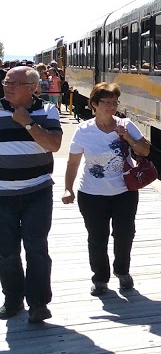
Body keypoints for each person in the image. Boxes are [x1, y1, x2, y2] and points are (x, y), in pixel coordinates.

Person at [61, 83, 149, 296]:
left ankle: (122, 271)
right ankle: (100, 278)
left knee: (125, 234)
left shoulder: (126, 124)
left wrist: (127, 136)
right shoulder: (84, 130)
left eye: (114, 102)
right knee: (97, 236)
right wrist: (68, 189)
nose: (112, 106)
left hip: (124, 192)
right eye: (106, 102)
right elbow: (73, 162)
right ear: (94, 104)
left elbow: (145, 151)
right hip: (91, 193)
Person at [0, 66, 63, 323]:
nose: (7, 86)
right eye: (6, 81)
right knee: (6, 251)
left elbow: (53, 145)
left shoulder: (48, 110)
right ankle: (13, 300)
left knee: (36, 248)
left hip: (37, 191)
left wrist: (27, 122)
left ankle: (38, 304)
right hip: (2, 194)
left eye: (15, 83)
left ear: (33, 88)